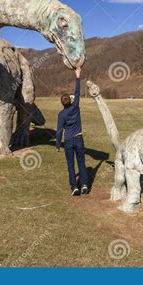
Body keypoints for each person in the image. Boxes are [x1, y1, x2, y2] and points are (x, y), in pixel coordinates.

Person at [56, 67, 88, 196]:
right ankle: (85, 184)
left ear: (62, 103)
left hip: (68, 141)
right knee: (81, 162)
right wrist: (78, 75)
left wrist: (58, 145)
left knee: (70, 164)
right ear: (71, 101)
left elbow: (59, 131)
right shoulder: (76, 107)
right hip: (79, 139)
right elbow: (78, 91)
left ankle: (74, 187)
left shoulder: (61, 115)